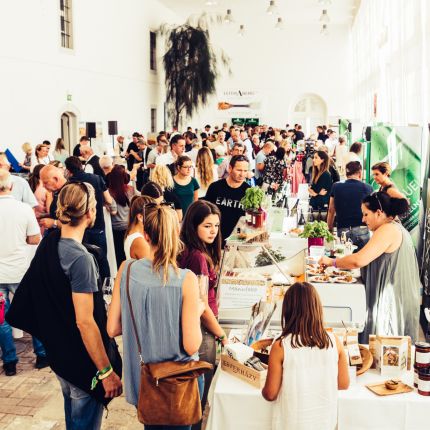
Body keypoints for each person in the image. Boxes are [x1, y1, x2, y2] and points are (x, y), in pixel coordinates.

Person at [6, 182, 123, 428]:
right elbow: (85, 322)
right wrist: (106, 372)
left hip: (61, 355)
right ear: (90, 212)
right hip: (82, 362)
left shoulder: (50, 243)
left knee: (73, 418)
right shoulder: (80, 259)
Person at [107, 202, 204, 430]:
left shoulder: (126, 269)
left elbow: (112, 328)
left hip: (144, 379)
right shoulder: (186, 279)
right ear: (176, 234)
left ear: (146, 236)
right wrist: (198, 310)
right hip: (179, 381)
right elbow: (191, 345)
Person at [319, 192, 421, 343]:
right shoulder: (393, 227)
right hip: (398, 296)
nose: (363, 219)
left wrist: (332, 262)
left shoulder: (388, 230)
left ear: (379, 213)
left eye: (366, 214)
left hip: (392, 299)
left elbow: (359, 260)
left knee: (386, 345)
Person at [262, 282, 349, 429]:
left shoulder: (281, 346)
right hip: (324, 423)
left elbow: (270, 394)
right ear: (317, 308)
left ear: (288, 310)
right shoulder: (334, 341)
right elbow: (343, 384)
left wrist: (264, 386)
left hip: (292, 424)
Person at [178, 201, 228, 429]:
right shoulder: (197, 257)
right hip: (202, 329)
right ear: (193, 225)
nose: (213, 231)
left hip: (199, 327)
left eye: (216, 226)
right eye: (207, 226)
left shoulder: (192, 250)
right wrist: (222, 335)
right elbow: (201, 305)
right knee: (198, 398)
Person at [0, 169, 47, 376]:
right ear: (11, 186)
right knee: (32, 311)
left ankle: (10, 362)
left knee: (1, 319)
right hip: (20, 270)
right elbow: (35, 239)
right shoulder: (23, 209)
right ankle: (42, 355)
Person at [64, 157, 113, 257]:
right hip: (97, 224)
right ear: (81, 166)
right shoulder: (97, 178)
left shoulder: (68, 184)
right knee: (101, 258)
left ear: (68, 170)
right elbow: (109, 200)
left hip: (78, 228)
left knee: (83, 258)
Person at [327, 162, 373, 250]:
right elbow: (371, 211)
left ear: (346, 173)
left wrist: (329, 228)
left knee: (344, 256)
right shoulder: (368, 188)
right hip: (362, 229)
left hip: (343, 229)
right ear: (360, 173)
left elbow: (331, 210)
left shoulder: (336, 186)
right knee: (362, 257)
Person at [205, 155, 250, 242]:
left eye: (245, 171)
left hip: (237, 239)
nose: (242, 174)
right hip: (215, 237)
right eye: (239, 170)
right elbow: (205, 213)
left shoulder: (249, 191)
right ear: (230, 168)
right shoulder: (215, 187)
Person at [108, 165, 137, 268]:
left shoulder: (109, 192)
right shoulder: (130, 190)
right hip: (128, 226)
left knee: (118, 255)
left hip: (115, 228)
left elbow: (113, 211)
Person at [123, 195, 154, 260]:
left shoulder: (134, 233)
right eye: (152, 215)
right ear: (140, 217)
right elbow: (153, 264)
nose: (155, 218)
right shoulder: (139, 241)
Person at [39, 165, 67, 232]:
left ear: (56, 179)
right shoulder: (57, 191)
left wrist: (54, 223)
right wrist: (44, 215)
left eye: (45, 182)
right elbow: (58, 214)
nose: (43, 186)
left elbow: (76, 225)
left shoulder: (70, 193)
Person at [28, 164, 53, 235]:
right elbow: (49, 211)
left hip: (29, 221)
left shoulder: (29, 186)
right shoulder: (47, 190)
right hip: (41, 224)